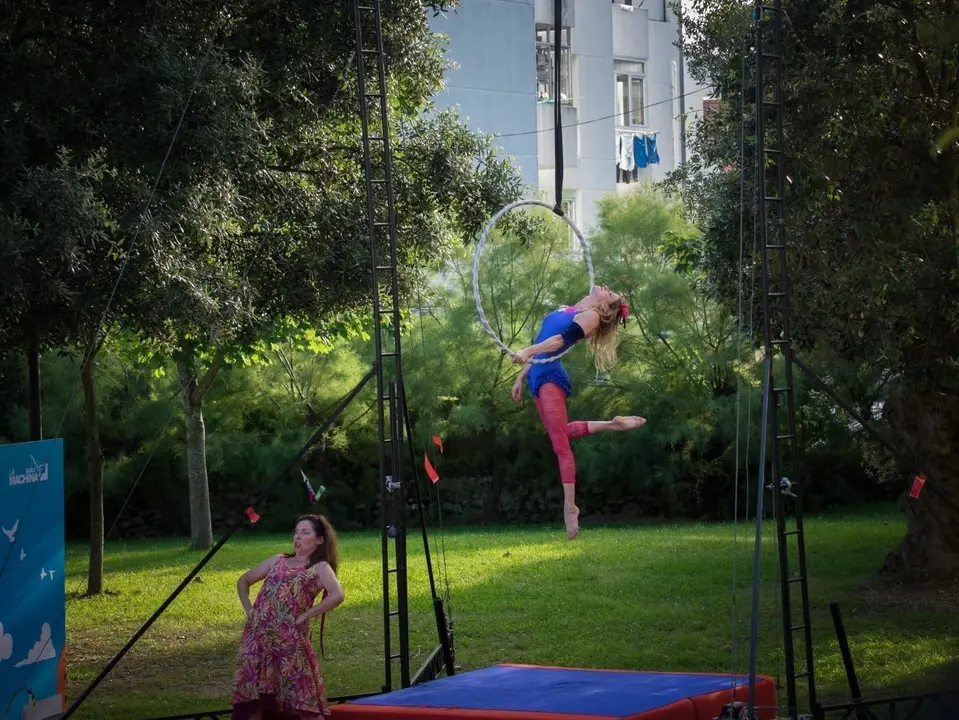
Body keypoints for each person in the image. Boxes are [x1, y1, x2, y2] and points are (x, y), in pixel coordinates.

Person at [511, 285, 647, 541]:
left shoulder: (591, 317)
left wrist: (527, 352)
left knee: (561, 446)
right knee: (559, 435)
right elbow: (544, 337)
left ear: (605, 306)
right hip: (537, 375)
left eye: (611, 294)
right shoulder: (573, 307)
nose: (607, 288)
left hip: (550, 378)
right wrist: (521, 376)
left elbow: (559, 341)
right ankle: (613, 424)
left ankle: (570, 506)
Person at [231, 514, 345, 720]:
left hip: (289, 643)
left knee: (303, 701)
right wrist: (249, 610)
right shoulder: (278, 560)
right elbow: (244, 581)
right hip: (258, 640)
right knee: (253, 702)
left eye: (305, 532)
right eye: (296, 532)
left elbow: (338, 595)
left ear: (319, 539)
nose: (298, 537)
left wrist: (307, 615)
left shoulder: (319, 567)